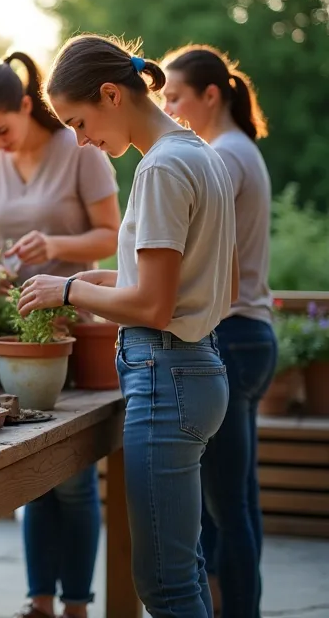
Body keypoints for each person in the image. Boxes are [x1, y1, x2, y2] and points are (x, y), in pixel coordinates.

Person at [16, 34, 238, 618]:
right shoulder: (202, 155)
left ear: (111, 94)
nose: (83, 141)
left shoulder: (161, 170)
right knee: (181, 569)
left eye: (79, 122)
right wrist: (108, 278)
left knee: (161, 584)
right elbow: (214, 284)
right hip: (197, 367)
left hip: (166, 375)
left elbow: (156, 309)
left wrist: (69, 289)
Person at [0, 51, 121, 618]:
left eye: (2, 129)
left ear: (27, 106)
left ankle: (75, 604)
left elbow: (111, 234)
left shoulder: (80, 149)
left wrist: (53, 248)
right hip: (18, 329)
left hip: (78, 325)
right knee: (32, 475)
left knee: (73, 477)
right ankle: (40, 603)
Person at [163, 44, 276, 618]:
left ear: (211, 95)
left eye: (177, 96)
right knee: (238, 502)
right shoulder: (239, 151)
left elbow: (196, 256)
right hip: (253, 335)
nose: (169, 108)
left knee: (223, 509)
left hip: (231, 337)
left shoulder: (222, 157)